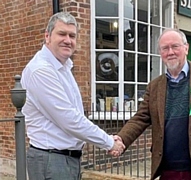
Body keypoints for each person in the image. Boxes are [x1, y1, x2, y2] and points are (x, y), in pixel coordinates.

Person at [111, 28, 191, 180]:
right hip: (168, 169)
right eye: (165, 48)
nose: (170, 52)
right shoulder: (155, 86)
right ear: (160, 53)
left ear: (186, 48)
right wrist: (121, 139)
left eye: (175, 46)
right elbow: (140, 118)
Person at [21, 12, 125, 180]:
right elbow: (69, 119)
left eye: (72, 35)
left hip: (63, 160)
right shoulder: (41, 70)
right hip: (51, 161)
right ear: (47, 36)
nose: (68, 40)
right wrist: (109, 142)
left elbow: (75, 115)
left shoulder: (62, 67)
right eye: (62, 34)